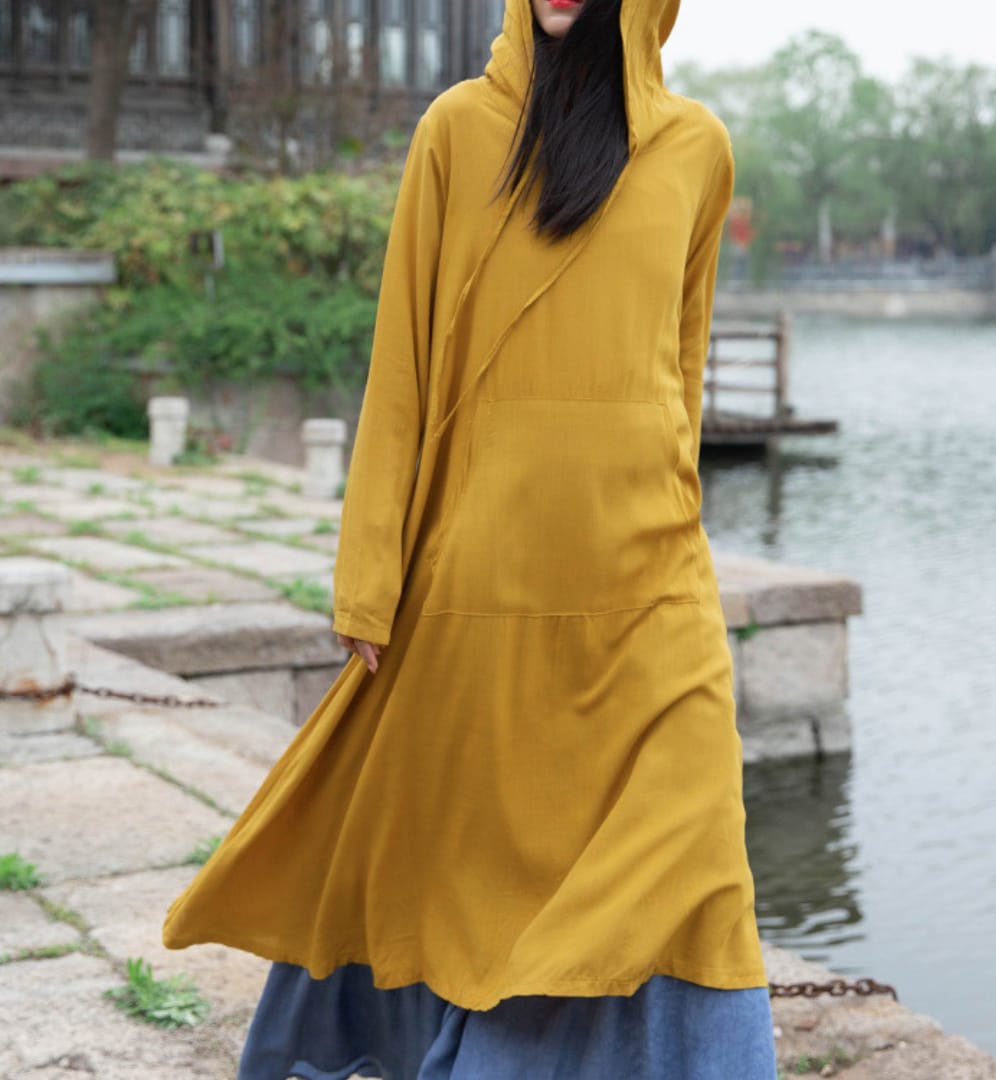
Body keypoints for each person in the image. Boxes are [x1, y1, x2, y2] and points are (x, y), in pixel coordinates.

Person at [162, 1, 778, 1076]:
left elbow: (678, 368)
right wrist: (371, 575)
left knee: (697, 854)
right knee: (477, 873)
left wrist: (680, 527)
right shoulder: (456, 129)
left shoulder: (698, 150)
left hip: (653, 580)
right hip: (484, 575)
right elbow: (400, 360)